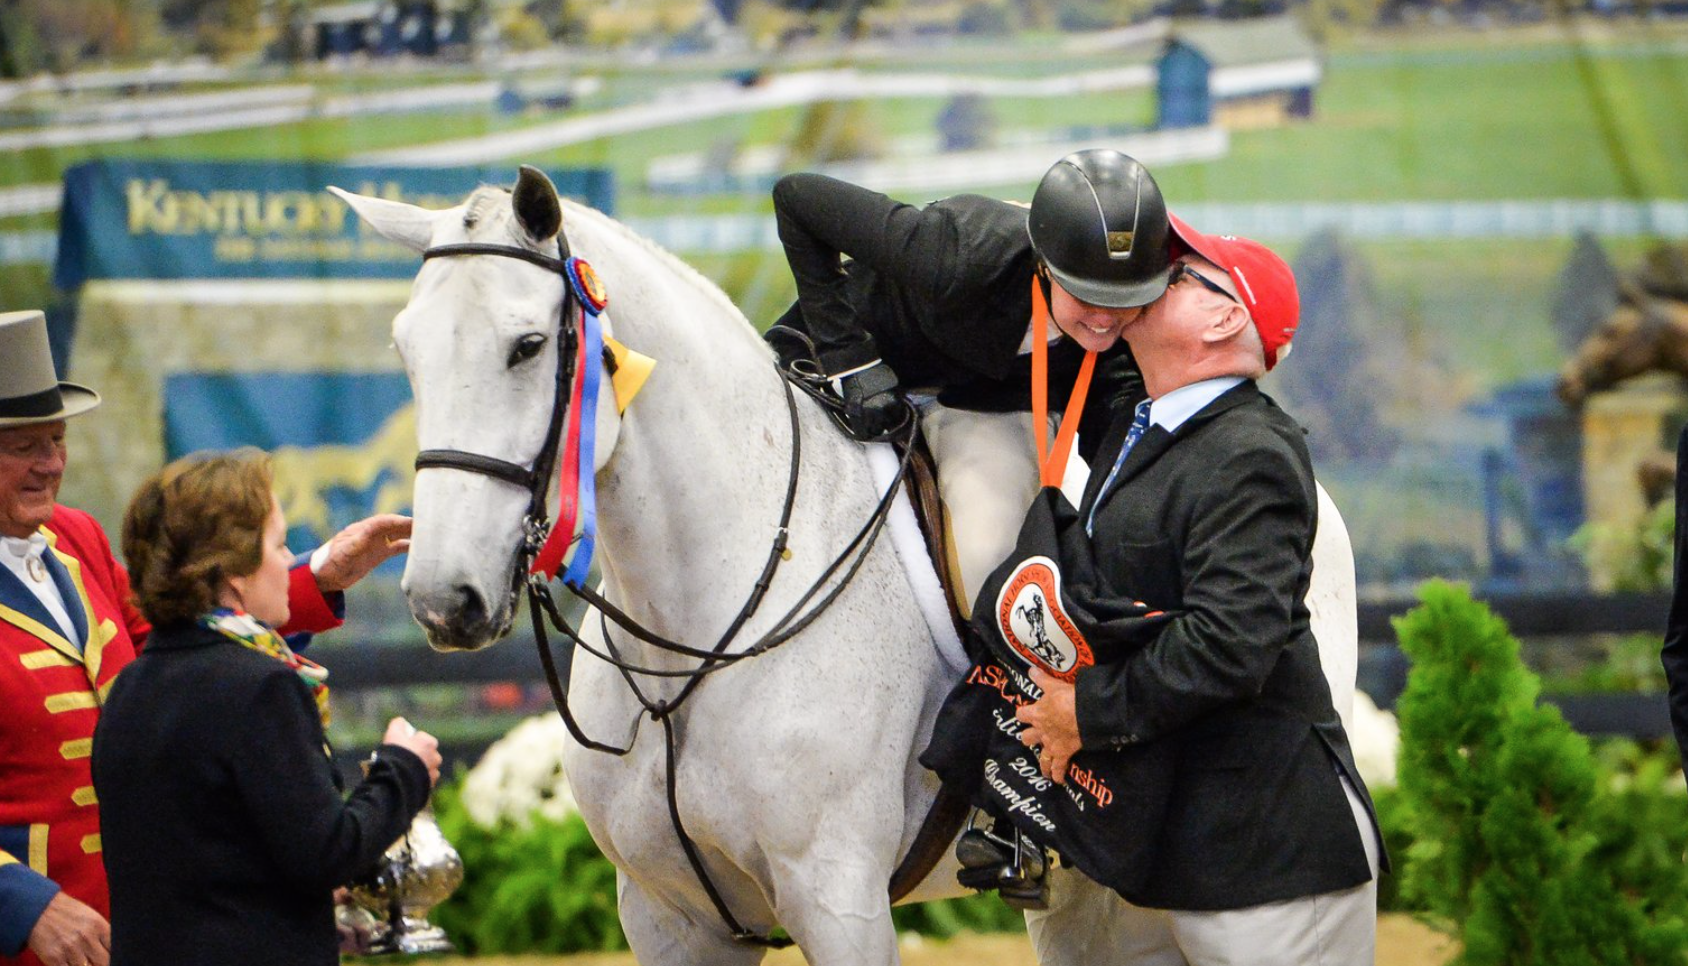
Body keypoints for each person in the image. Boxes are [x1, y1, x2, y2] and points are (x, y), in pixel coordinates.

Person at [1009, 217, 1384, 965]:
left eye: (1179, 274)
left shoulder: (1251, 452)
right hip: (1170, 845)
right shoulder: (1145, 426)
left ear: (1224, 317)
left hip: (1267, 855)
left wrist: (1086, 711)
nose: (1153, 277)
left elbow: (1230, 642)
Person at [0, 309, 408, 966]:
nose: (50, 465)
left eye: (57, 440)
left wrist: (319, 571)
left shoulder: (75, 538)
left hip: (148, 929)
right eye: (24, 446)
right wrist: (18, 902)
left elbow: (180, 637)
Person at [770, 149, 1173, 613]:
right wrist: (850, 358)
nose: (1104, 319)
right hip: (846, 357)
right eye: (1084, 294)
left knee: (989, 554)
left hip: (987, 403)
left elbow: (1121, 442)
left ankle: (998, 675)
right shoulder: (957, 251)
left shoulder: (1135, 327)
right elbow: (797, 196)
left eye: (1124, 298)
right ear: (1044, 266)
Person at [91, 451, 441, 966]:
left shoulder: (131, 685)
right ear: (234, 572)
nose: (288, 561)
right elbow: (328, 852)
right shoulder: (258, 688)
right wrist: (403, 770)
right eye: (279, 545)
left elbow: (208, 863)